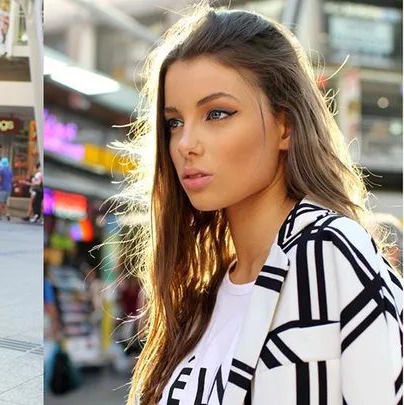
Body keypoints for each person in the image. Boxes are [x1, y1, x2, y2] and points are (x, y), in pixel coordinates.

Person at [118, 6, 403, 405]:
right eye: (174, 122)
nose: (185, 144)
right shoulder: (202, 295)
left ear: (285, 125)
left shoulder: (331, 251)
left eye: (217, 113)